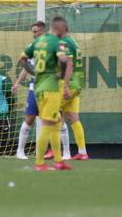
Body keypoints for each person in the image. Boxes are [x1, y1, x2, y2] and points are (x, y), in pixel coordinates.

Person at [20, 17, 73, 171]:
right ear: (60, 28)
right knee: (48, 124)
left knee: (56, 122)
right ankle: (39, 162)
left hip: (38, 87)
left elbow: (22, 59)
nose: (65, 34)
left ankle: (58, 160)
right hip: (51, 87)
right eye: (64, 31)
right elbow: (63, 60)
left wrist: (34, 72)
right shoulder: (57, 42)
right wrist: (61, 75)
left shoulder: (37, 42)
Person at [55, 16, 88, 161]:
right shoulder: (73, 41)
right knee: (73, 118)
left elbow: (69, 64)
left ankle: (54, 151)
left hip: (70, 83)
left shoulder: (65, 42)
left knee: (48, 113)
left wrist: (66, 85)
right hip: (78, 83)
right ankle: (82, 152)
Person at [12, 21, 47, 159]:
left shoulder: (52, 46)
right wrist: (17, 83)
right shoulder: (31, 47)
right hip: (34, 89)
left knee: (55, 120)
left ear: (42, 32)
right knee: (29, 119)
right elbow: (25, 66)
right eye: (32, 32)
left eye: (35, 31)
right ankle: (20, 151)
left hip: (50, 89)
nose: (33, 34)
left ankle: (66, 152)